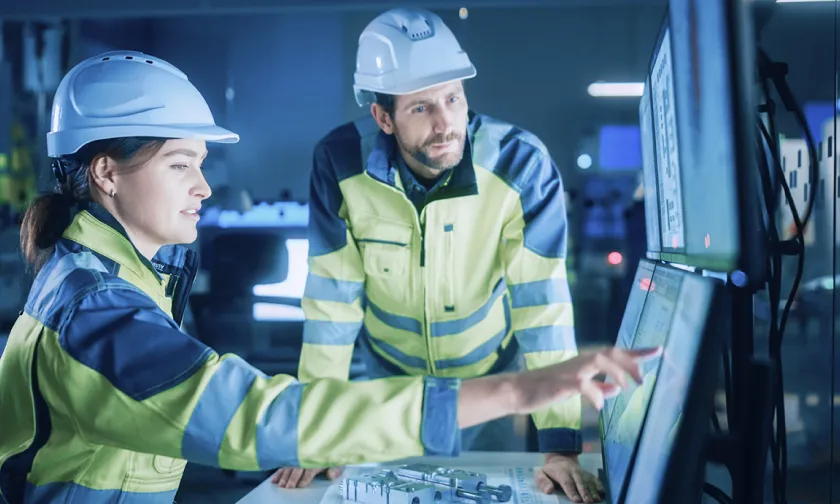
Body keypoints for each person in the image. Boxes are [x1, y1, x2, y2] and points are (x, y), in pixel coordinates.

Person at [0, 50, 659, 504]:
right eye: (179, 165)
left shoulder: (104, 279)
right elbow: (253, 415)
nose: (204, 185)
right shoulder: (95, 314)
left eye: (199, 162)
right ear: (106, 174)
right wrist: (521, 391)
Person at [273, 7, 603, 504]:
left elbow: (544, 309)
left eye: (454, 98)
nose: (447, 122)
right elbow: (331, 308)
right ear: (383, 117)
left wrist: (560, 445)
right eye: (421, 108)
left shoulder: (521, 164)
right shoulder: (339, 163)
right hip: (389, 383)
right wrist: (320, 430)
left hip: (489, 378)